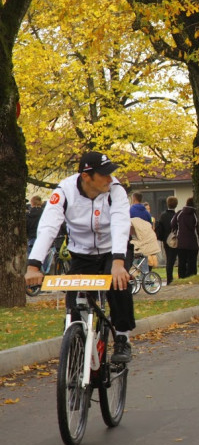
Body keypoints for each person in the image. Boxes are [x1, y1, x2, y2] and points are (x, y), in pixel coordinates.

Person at [25, 151, 134, 363]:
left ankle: (122, 338)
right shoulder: (64, 192)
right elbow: (48, 228)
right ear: (86, 176)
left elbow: (121, 223)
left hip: (113, 250)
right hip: (82, 252)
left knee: (119, 285)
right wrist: (33, 265)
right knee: (74, 301)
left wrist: (119, 263)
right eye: (104, 175)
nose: (110, 179)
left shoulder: (115, 190)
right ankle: (76, 342)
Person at [171, 196, 199, 278]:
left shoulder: (180, 213)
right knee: (192, 262)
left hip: (181, 242)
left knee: (182, 262)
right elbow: (198, 227)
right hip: (193, 243)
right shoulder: (195, 214)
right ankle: (192, 276)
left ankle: (182, 277)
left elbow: (172, 224)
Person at [156, 196, 179, 284]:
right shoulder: (176, 215)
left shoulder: (163, 215)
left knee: (169, 260)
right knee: (175, 258)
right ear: (176, 205)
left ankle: (169, 279)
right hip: (175, 240)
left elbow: (160, 228)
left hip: (166, 240)